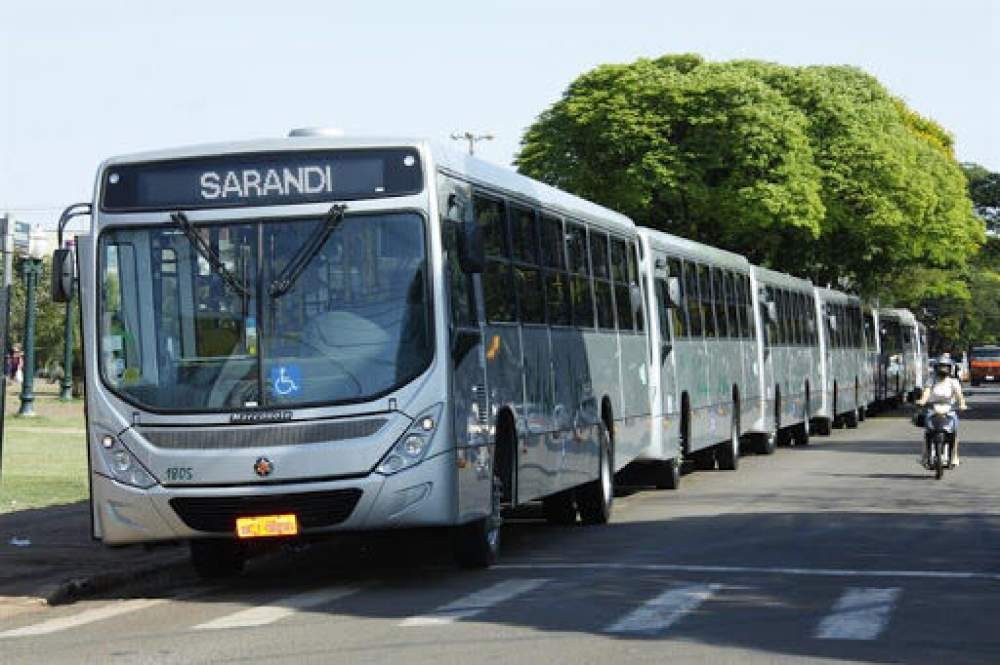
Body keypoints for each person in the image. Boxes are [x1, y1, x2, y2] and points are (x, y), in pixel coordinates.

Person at [915, 356, 968, 467]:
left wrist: (962, 404)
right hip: (933, 408)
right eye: (941, 367)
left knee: (954, 433)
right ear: (936, 368)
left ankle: (954, 457)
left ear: (950, 369)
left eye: (945, 367)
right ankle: (925, 456)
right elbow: (926, 392)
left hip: (949, 409)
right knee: (927, 433)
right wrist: (922, 401)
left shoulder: (953, 382)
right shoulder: (931, 380)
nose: (943, 370)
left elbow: (959, 395)